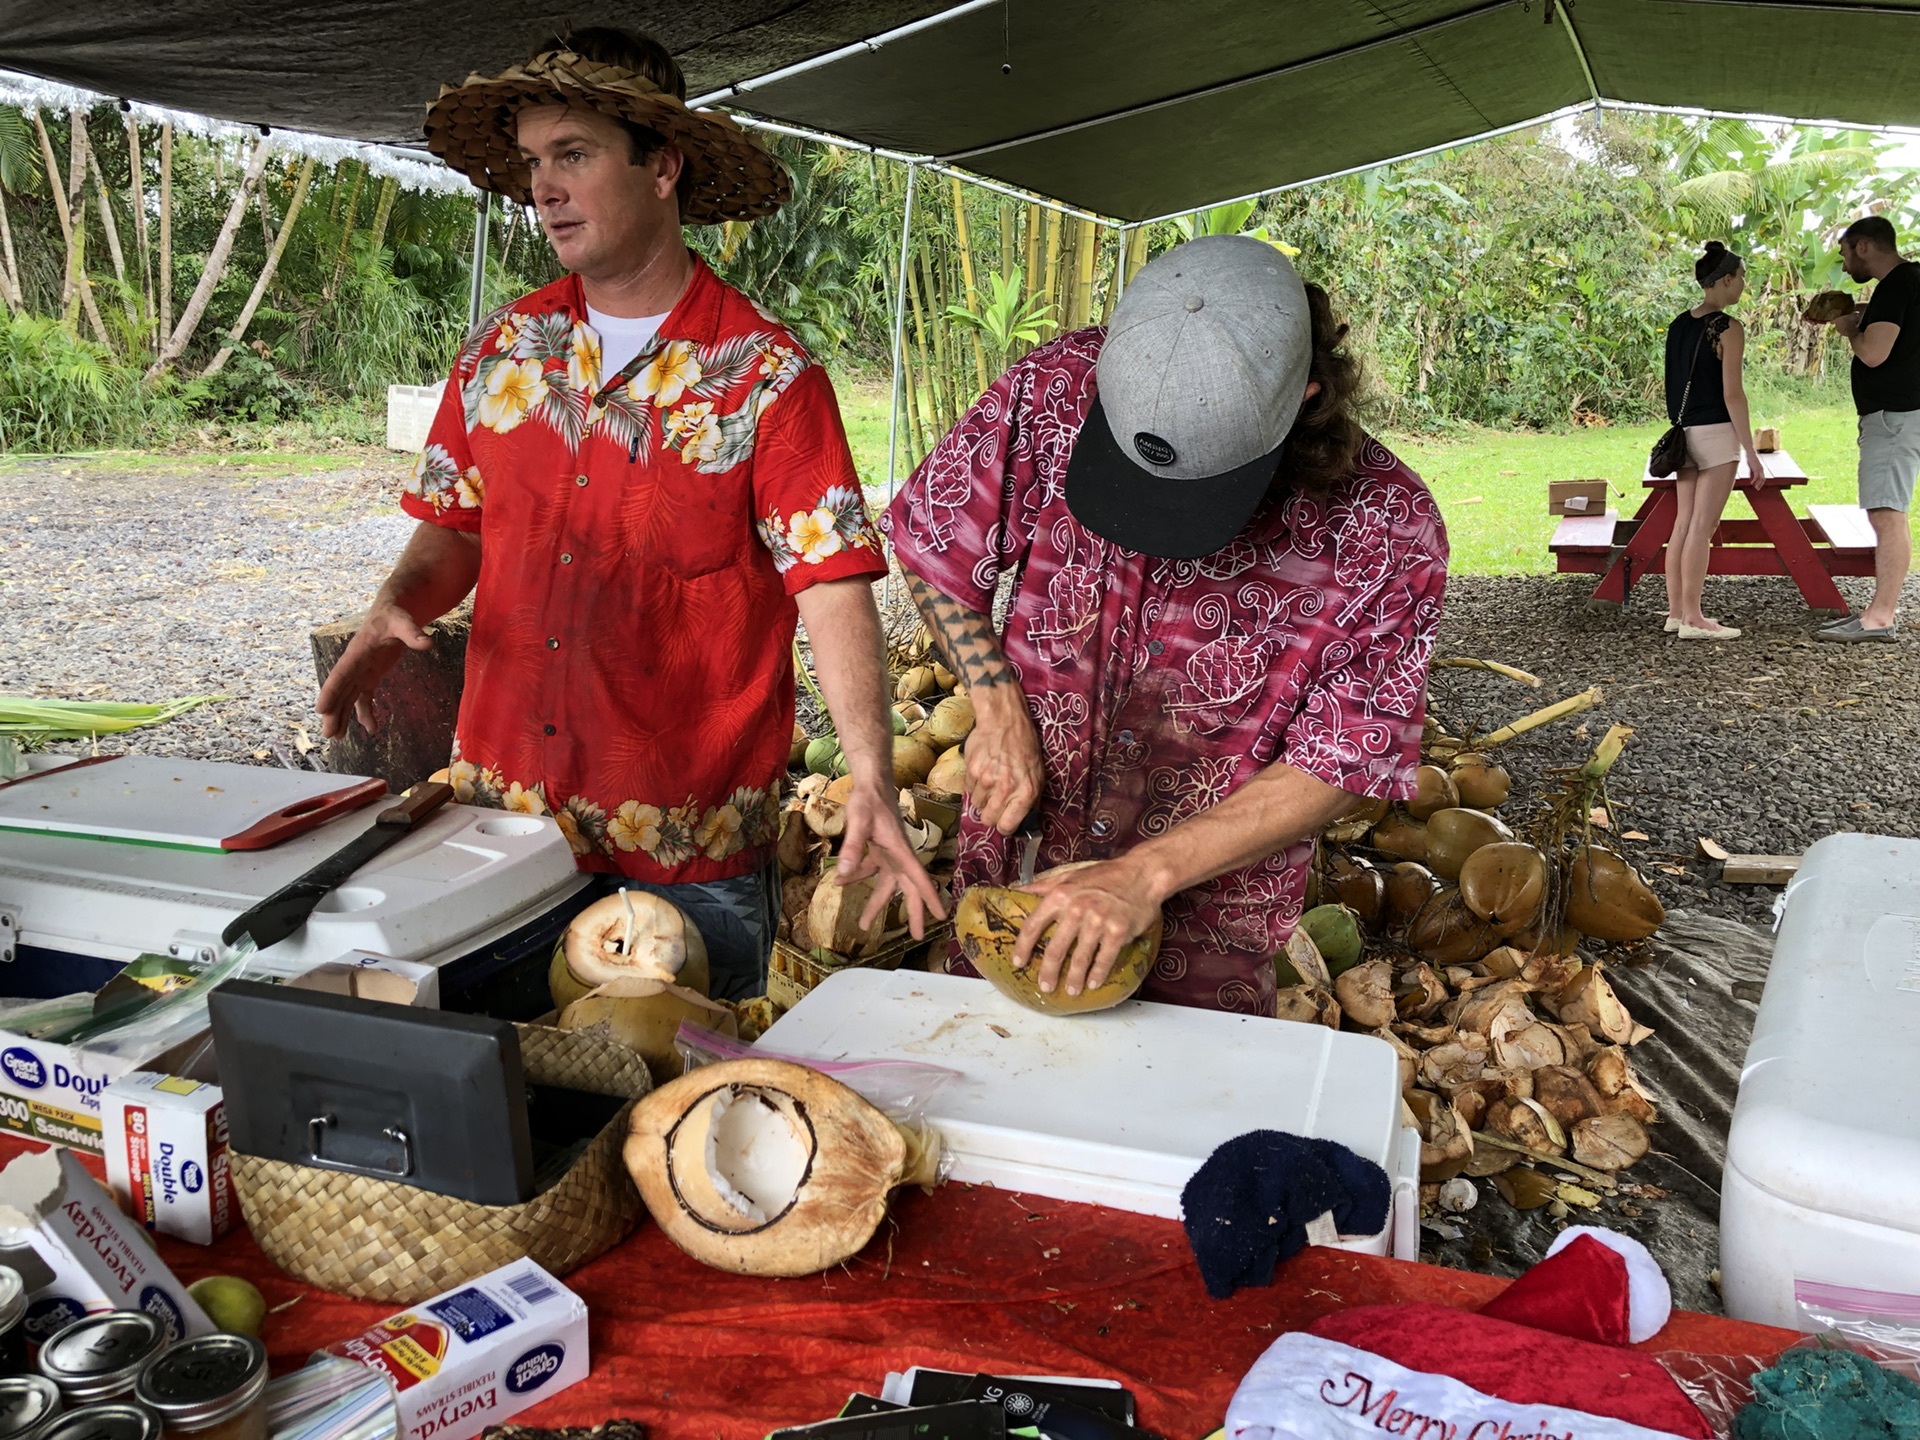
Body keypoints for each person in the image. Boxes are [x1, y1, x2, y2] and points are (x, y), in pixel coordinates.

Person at [315, 27, 941, 1000]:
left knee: (679, 1122)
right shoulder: (504, 354)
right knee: (507, 1102)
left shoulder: (766, 379)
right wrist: (397, 601)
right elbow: (456, 523)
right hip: (504, 834)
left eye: (573, 155)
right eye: (532, 163)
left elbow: (829, 584)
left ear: (664, 168)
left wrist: (869, 772)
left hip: (691, 853)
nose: (544, 188)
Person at [886, 236, 1449, 1016]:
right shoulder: (1055, 386)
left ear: (1308, 398)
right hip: (1018, 872)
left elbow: (1347, 755)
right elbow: (929, 543)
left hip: (1208, 922)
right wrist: (996, 702)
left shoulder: (1386, 529)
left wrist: (1145, 875)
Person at [1813, 214, 1916, 642]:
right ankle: (1878, 612)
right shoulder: (1910, 282)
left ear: (1865, 247)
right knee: (1887, 510)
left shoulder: (1897, 285)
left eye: (1845, 251)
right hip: (1899, 414)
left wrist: (1851, 329)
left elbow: (1874, 353)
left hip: (1894, 416)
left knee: (1887, 513)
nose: (1844, 260)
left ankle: (1880, 617)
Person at [1661, 241, 1763, 642]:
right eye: (1740, 278)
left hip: (1683, 436)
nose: (1742, 286)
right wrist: (1751, 451)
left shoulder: (1678, 325)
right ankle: (1694, 618)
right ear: (1724, 279)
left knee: (1683, 525)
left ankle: (1676, 613)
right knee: (1702, 527)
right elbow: (1733, 394)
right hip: (1718, 435)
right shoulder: (1728, 327)